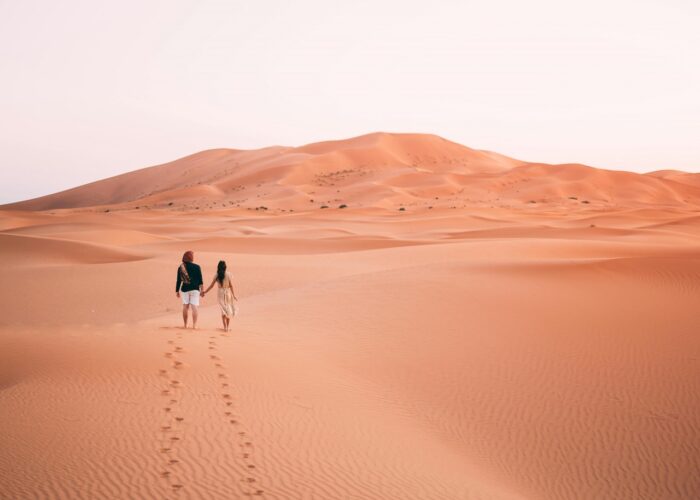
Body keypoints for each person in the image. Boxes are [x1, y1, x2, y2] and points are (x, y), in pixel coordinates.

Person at [202, 260, 238, 332]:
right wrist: (234, 295)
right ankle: (227, 328)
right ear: (225, 267)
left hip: (220, 293)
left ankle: (224, 327)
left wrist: (205, 292)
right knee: (228, 310)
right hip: (228, 293)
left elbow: (211, 286)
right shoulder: (228, 274)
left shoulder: (216, 275)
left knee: (223, 310)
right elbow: (231, 286)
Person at [176, 250, 203, 329]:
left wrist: (177, 291)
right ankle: (194, 325)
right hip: (195, 289)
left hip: (185, 289)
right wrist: (202, 290)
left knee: (185, 306)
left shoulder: (181, 267)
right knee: (194, 307)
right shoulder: (197, 267)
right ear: (191, 257)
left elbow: (178, 280)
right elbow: (200, 280)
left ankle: (185, 325)